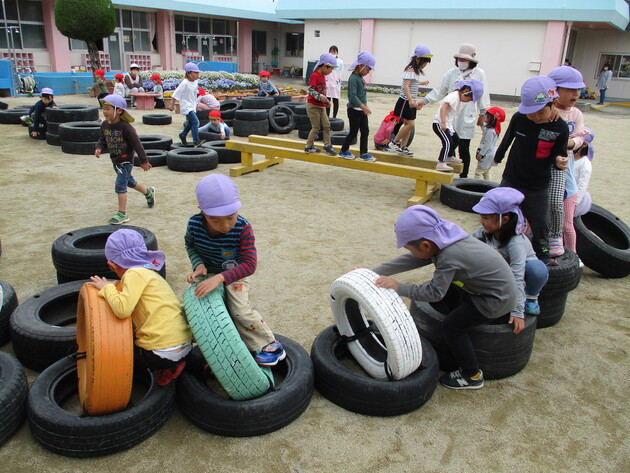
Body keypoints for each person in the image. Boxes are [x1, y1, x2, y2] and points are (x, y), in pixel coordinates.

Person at [373, 205, 517, 390]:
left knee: (451, 327)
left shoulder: (449, 257)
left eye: (410, 248)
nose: (411, 253)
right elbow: (414, 259)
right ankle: (462, 315)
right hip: (492, 289)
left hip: (495, 301)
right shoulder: (444, 236)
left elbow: (434, 294)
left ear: (425, 245)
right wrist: (374, 272)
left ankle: (472, 374)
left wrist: (398, 287)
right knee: (448, 288)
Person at [185, 174, 286, 366]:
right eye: (215, 220)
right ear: (202, 211)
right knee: (199, 312)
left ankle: (270, 345)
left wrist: (220, 278)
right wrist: (198, 265)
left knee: (239, 311)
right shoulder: (194, 224)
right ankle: (216, 348)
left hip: (235, 275)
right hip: (208, 274)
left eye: (230, 217)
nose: (225, 226)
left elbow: (249, 265)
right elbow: (190, 245)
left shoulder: (243, 228)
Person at [87, 229, 192, 386]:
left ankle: (166, 368)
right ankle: (178, 364)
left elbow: (122, 310)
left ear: (111, 265)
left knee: (116, 356)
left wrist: (106, 288)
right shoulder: (152, 274)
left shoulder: (133, 274)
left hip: (159, 353)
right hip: (186, 345)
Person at [493, 76, 569, 263]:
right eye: (530, 113)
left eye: (540, 112)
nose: (535, 117)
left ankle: (543, 257)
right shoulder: (520, 118)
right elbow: (507, 138)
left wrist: (559, 161)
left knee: (540, 223)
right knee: (501, 215)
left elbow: (558, 154)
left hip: (538, 185)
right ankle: (497, 249)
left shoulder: (560, 128)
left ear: (553, 103)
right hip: (512, 178)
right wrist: (497, 157)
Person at [471, 187, 549, 322]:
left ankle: (531, 297)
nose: (481, 221)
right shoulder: (485, 232)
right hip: (504, 272)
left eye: (486, 217)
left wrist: (517, 311)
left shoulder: (516, 243)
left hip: (522, 274)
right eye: (481, 217)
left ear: (505, 219)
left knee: (536, 268)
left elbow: (517, 276)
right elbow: (467, 243)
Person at [422, 43, 491, 178]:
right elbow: (440, 90)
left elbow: (484, 94)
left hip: (467, 115)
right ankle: (448, 175)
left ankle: (463, 177)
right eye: (459, 60)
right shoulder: (451, 73)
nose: (461, 62)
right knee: (450, 144)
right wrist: (424, 101)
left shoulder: (479, 74)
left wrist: (482, 114)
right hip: (450, 117)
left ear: (471, 61)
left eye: (464, 60)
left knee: (463, 147)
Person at [94, 94, 155, 225]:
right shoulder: (104, 125)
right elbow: (102, 139)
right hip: (115, 161)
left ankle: (122, 213)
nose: (104, 111)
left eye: (108, 108)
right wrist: (99, 148)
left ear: (119, 110)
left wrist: (144, 161)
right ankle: (148, 193)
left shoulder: (126, 127)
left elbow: (137, 144)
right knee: (130, 182)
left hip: (125, 161)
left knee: (120, 185)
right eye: (103, 108)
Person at [548, 66, 587, 256]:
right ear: (555, 90)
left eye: (578, 90)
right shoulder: (547, 111)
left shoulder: (576, 114)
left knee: (566, 222)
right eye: (571, 90)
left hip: (566, 170)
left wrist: (568, 142)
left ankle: (573, 257)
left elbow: (580, 139)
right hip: (546, 168)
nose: (576, 94)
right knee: (534, 216)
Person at [432, 80, 484, 172]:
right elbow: (443, 108)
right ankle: (441, 162)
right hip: (439, 124)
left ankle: (449, 156)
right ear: (466, 91)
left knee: (456, 140)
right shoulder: (453, 96)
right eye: (470, 99)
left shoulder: (458, 98)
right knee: (447, 142)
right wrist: (443, 123)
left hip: (448, 125)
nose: (469, 101)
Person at [391, 45, 433, 157]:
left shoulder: (415, 71)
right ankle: (394, 142)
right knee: (410, 124)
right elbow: (406, 86)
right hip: (405, 101)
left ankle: (403, 147)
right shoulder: (410, 69)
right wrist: (410, 100)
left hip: (411, 101)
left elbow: (412, 83)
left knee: (407, 124)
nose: (425, 65)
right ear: (417, 59)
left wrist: (421, 83)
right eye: (424, 62)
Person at [338, 51, 376, 162]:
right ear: (361, 66)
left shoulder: (360, 78)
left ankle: (364, 153)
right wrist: (363, 107)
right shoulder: (353, 79)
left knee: (365, 131)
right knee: (354, 132)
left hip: (361, 110)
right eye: (368, 69)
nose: (368, 72)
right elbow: (352, 96)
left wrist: (364, 107)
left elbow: (362, 94)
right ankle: (343, 151)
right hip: (354, 110)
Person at [304, 52, 338, 156]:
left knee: (327, 125)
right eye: (330, 69)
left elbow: (322, 91)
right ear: (324, 66)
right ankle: (308, 146)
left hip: (321, 106)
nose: (331, 71)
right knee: (316, 127)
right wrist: (320, 97)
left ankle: (327, 145)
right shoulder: (315, 75)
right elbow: (310, 90)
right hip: (313, 106)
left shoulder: (323, 76)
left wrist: (326, 101)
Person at [170, 62, 204, 147]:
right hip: (186, 106)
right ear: (188, 73)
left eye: (198, 73)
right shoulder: (184, 83)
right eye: (195, 73)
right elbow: (175, 94)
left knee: (190, 123)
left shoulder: (195, 82)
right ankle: (196, 141)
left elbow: (195, 91)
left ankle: (183, 135)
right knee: (196, 122)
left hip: (192, 105)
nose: (197, 75)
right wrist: (171, 105)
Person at [474, 106, 506, 181]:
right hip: (491, 153)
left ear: (492, 118)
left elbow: (487, 144)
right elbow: (485, 130)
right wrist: (481, 124)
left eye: (487, 115)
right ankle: (488, 186)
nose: (484, 116)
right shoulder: (493, 129)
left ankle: (476, 186)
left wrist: (481, 154)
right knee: (486, 172)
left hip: (487, 154)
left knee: (478, 172)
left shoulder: (490, 131)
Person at [574, 127, 594, 219]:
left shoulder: (585, 164)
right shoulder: (568, 156)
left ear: (585, 144)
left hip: (575, 198)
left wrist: (575, 203)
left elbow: (582, 185)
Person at [325, 45, 343, 118]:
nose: (332, 53)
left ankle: (334, 116)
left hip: (336, 83)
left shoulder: (340, 61)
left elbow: (340, 72)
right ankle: (327, 116)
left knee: (335, 100)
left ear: (337, 52)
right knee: (327, 100)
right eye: (331, 51)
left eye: (334, 51)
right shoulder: (327, 61)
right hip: (328, 83)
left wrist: (337, 81)